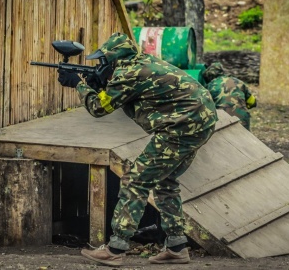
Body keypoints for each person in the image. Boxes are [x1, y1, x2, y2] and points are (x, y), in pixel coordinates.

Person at [57, 32, 218, 266]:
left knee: (135, 182)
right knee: (166, 181)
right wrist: (97, 83)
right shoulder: (142, 64)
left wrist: (79, 85)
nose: (102, 66)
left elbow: (99, 108)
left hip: (181, 127)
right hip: (201, 121)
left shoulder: (128, 73)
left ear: (114, 60)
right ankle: (176, 247)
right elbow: (128, 93)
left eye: (104, 61)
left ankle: (115, 249)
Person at [202, 62, 257, 130]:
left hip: (224, 120)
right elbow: (252, 102)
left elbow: (206, 107)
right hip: (242, 118)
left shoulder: (210, 86)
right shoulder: (237, 81)